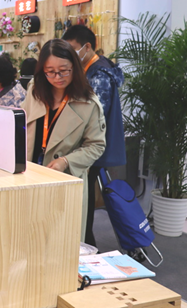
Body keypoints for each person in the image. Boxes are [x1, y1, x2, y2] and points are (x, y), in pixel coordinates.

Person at [21, 39, 106, 239]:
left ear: (75, 67)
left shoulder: (88, 103)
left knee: (60, 238)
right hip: (30, 173)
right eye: (50, 71)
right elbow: (22, 123)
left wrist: (66, 161)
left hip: (64, 179)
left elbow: (96, 145)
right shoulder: (35, 90)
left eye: (64, 71)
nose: (57, 77)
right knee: (28, 234)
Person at [63, 25, 126, 247]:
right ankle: (83, 240)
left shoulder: (99, 74)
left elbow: (93, 116)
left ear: (87, 47)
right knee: (84, 195)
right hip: (84, 146)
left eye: (73, 49)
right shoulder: (88, 69)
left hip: (91, 147)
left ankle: (86, 244)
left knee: (86, 198)